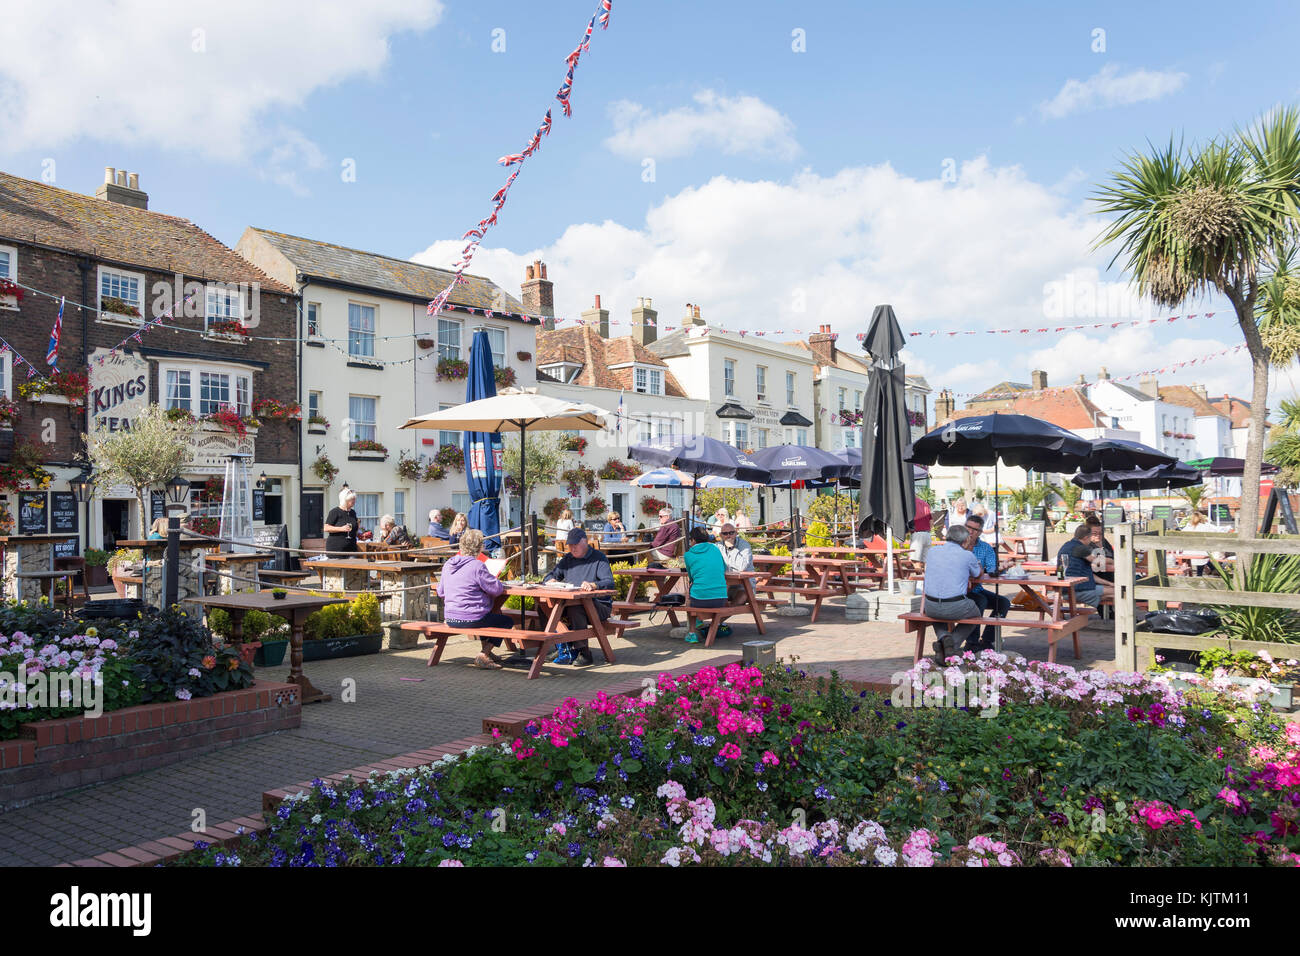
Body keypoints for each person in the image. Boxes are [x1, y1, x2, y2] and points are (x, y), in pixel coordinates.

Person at [436, 529, 511, 669]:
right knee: (506, 621)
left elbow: (440, 592)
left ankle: (488, 651)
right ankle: (484, 653)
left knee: (488, 615)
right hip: (472, 617)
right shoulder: (477, 566)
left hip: (450, 617)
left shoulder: (448, 565)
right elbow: (496, 589)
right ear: (479, 547)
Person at [542, 527, 614, 667]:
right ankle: (562, 647)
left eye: (575, 544)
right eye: (570, 545)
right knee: (544, 606)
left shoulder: (599, 558)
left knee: (577, 608)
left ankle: (584, 653)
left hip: (599, 606)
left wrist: (594, 585)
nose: (572, 548)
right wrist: (550, 580)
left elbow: (609, 582)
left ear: (585, 542)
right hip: (572, 603)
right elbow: (550, 575)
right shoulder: (568, 559)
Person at [920, 525, 984, 661]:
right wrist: (977, 563)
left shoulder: (933, 551)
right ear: (966, 540)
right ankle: (951, 644)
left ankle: (943, 637)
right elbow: (978, 573)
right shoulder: (967, 555)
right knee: (976, 615)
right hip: (955, 606)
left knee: (938, 613)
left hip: (929, 606)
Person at [963, 513, 1010, 650]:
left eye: (975, 529)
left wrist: (1000, 569)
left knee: (1004, 603)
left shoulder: (985, 548)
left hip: (976, 588)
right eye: (968, 527)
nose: (970, 532)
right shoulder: (957, 545)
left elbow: (991, 569)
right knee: (980, 601)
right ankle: (972, 642)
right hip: (960, 590)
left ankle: (987, 640)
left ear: (980, 532)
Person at [683, 526, 729, 644]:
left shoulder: (688, 555)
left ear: (692, 540)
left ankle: (692, 633)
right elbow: (724, 568)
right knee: (698, 592)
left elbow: (691, 576)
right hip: (721, 598)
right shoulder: (715, 549)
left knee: (689, 597)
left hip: (699, 599)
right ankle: (699, 621)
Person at [1056, 523, 1113, 609]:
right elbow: (1097, 561)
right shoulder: (1080, 548)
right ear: (1086, 537)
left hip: (1065, 589)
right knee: (1118, 592)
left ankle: (1117, 617)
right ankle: (1124, 620)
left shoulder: (1066, 545)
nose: (1090, 541)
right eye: (1090, 537)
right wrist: (1113, 560)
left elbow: (1089, 576)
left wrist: (1109, 583)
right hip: (1076, 590)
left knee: (1111, 592)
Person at [717, 521, 753, 609]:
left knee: (743, 595)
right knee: (715, 593)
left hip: (744, 585)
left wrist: (731, 548)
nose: (728, 536)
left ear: (736, 533)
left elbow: (742, 567)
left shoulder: (744, 545)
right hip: (726, 584)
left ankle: (718, 620)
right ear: (721, 535)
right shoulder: (718, 546)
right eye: (725, 533)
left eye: (731, 533)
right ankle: (716, 620)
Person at [324, 489, 360, 554]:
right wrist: (341, 529)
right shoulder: (335, 512)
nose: (354, 501)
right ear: (345, 500)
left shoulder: (353, 512)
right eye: (352, 499)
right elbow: (326, 528)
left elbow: (355, 529)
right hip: (336, 549)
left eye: (354, 499)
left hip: (352, 549)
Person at [910, 496, 933, 562]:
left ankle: (919, 572)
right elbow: (931, 521)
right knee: (926, 561)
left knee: (914, 560)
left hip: (918, 534)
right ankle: (925, 572)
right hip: (927, 534)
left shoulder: (911, 503)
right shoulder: (925, 503)